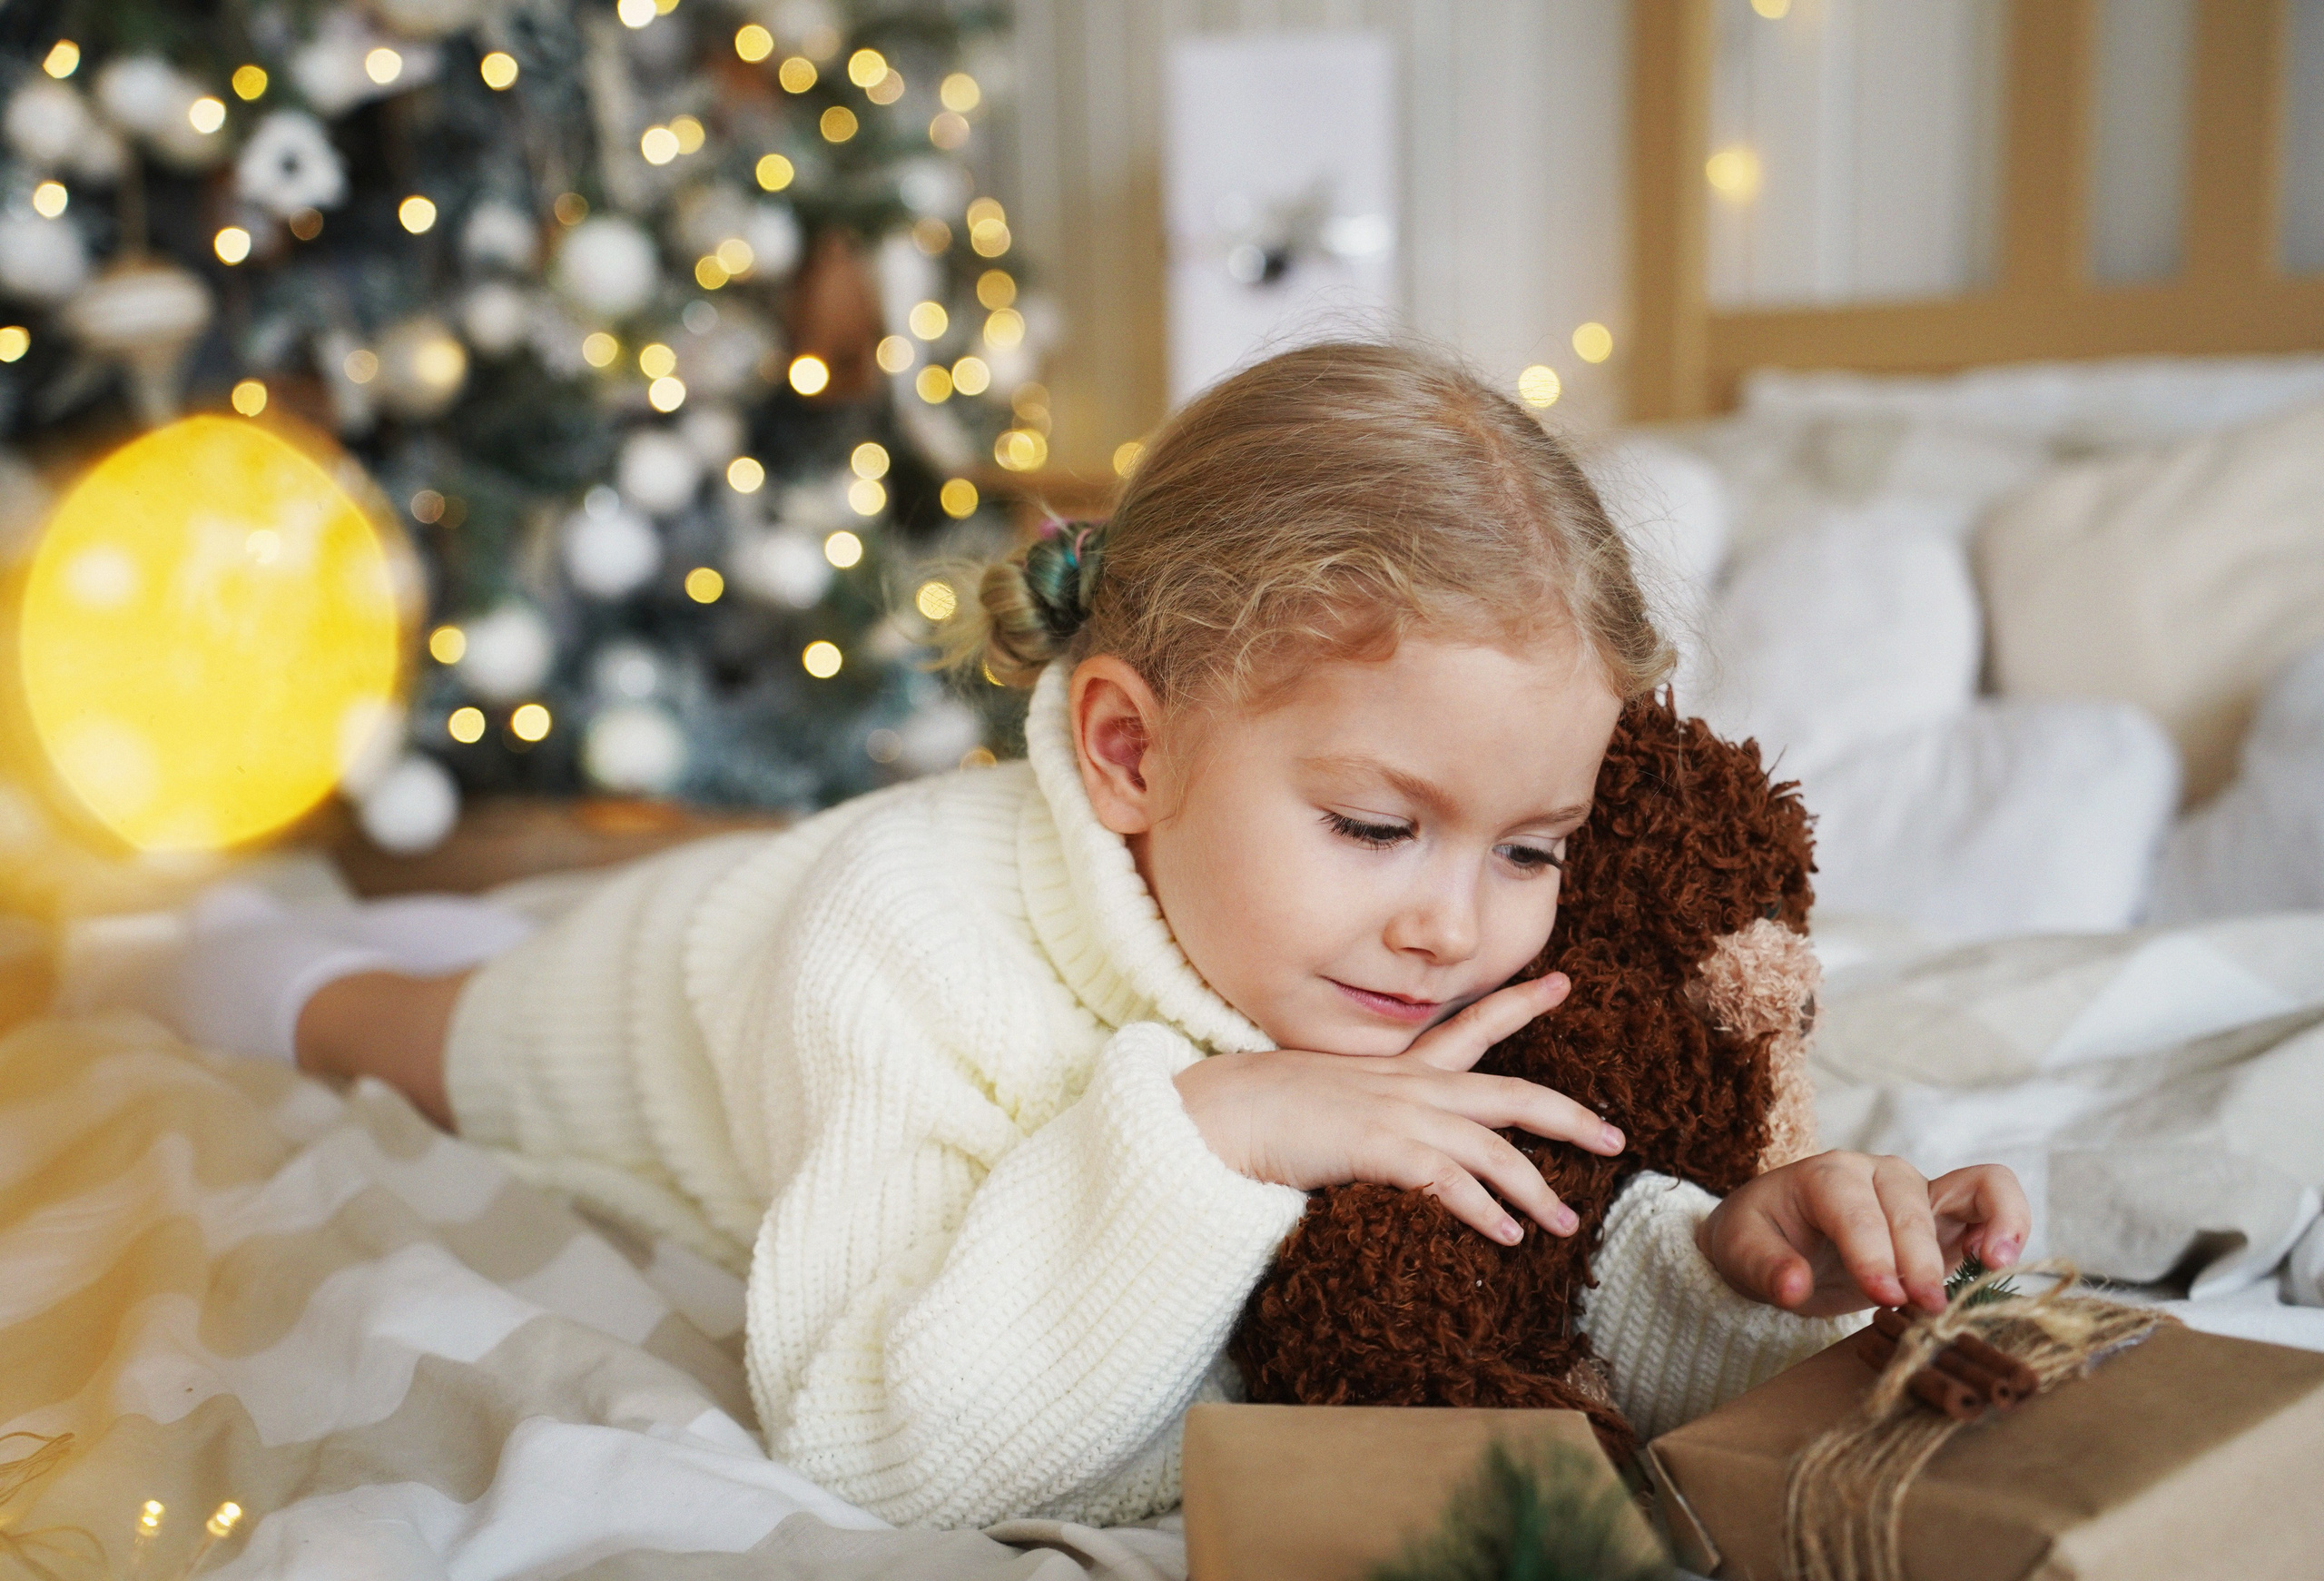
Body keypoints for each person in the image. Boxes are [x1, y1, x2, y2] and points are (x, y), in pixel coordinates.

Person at [172, 341, 2029, 1528]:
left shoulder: (1442, 955)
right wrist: (1214, 1131)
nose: (1450, 920)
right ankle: (230, 943)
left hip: (779, 924)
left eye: (1532, 844)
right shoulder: (900, 937)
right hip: (646, 995)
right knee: (371, 1007)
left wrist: (1737, 1260)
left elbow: (1543, 1263)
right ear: (1127, 748)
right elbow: (874, 1447)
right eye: (1375, 822)